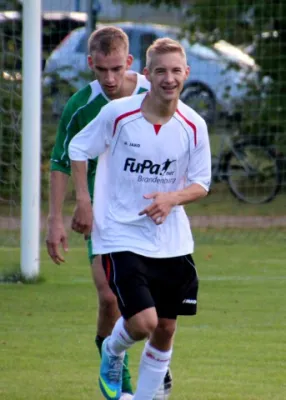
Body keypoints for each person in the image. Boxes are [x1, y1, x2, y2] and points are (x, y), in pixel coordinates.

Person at [68, 37, 211, 400]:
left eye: (176, 71)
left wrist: (171, 198)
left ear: (186, 74)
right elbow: (78, 148)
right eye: (160, 71)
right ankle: (113, 350)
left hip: (171, 240)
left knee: (165, 328)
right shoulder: (118, 115)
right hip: (120, 234)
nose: (169, 78)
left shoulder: (194, 125)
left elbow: (201, 183)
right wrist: (83, 200)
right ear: (146, 74)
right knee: (143, 323)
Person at [46, 26, 172, 400]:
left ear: (130, 62)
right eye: (101, 70)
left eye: (117, 68)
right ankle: (123, 383)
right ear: (90, 64)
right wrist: (58, 218)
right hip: (103, 217)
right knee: (109, 299)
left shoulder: (154, 93)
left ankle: (150, 361)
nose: (110, 78)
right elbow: (60, 162)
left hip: (149, 213)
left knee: (157, 309)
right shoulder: (81, 106)